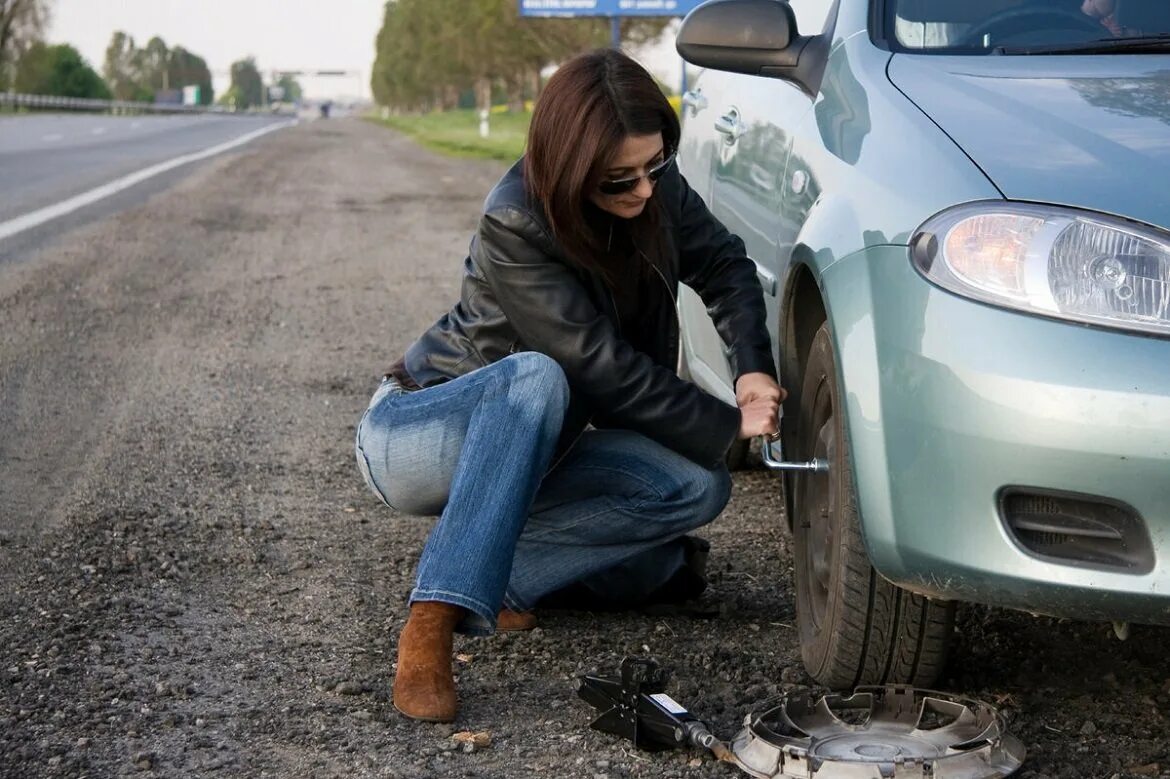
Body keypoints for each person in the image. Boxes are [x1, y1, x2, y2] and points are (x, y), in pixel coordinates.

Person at [354, 48, 784, 724]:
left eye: (654, 167)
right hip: (419, 430)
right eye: (619, 180)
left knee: (700, 484)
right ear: (570, 168)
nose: (644, 192)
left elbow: (727, 265)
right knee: (538, 375)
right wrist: (726, 423)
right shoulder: (515, 220)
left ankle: (494, 572)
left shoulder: (655, 188)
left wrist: (752, 367)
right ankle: (433, 614)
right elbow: (600, 366)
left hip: (541, 443)